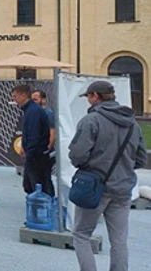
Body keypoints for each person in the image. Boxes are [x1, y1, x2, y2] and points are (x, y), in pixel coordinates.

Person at [70, 81, 146, 271]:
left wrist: (88, 166)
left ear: (95, 96)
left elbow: (77, 155)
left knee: (81, 234)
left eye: (88, 96)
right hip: (123, 188)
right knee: (119, 240)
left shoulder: (91, 120)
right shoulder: (133, 124)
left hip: (95, 186)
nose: (88, 100)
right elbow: (141, 159)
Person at [13, 84, 54, 196]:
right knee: (30, 185)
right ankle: (42, 203)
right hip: (35, 154)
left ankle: (45, 204)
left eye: (15, 96)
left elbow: (34, 135)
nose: (14, 99)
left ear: (23, 96)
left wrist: (29, 154)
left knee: (38, 186)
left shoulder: (33, 111)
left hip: (37, 155)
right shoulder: (30, 110)